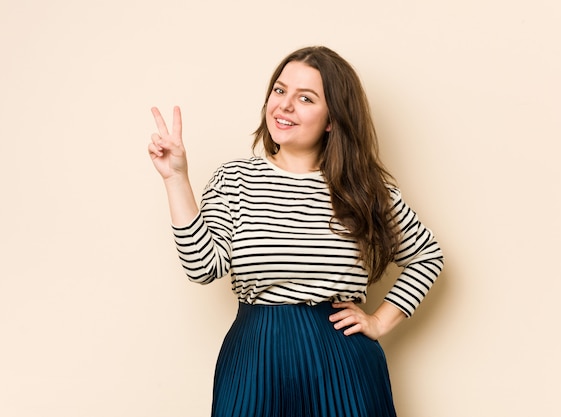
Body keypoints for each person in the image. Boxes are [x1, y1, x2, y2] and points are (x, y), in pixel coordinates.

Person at [148, 46, 444, 417]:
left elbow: (427, 256)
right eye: (279, 90)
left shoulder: (364, 191)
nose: (285, 105)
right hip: (255, 357)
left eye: (305, 98)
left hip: (342, 362)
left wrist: (380, 320)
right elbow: (202, 267)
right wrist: (176, 178)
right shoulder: (235, 180)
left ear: (332, 119)